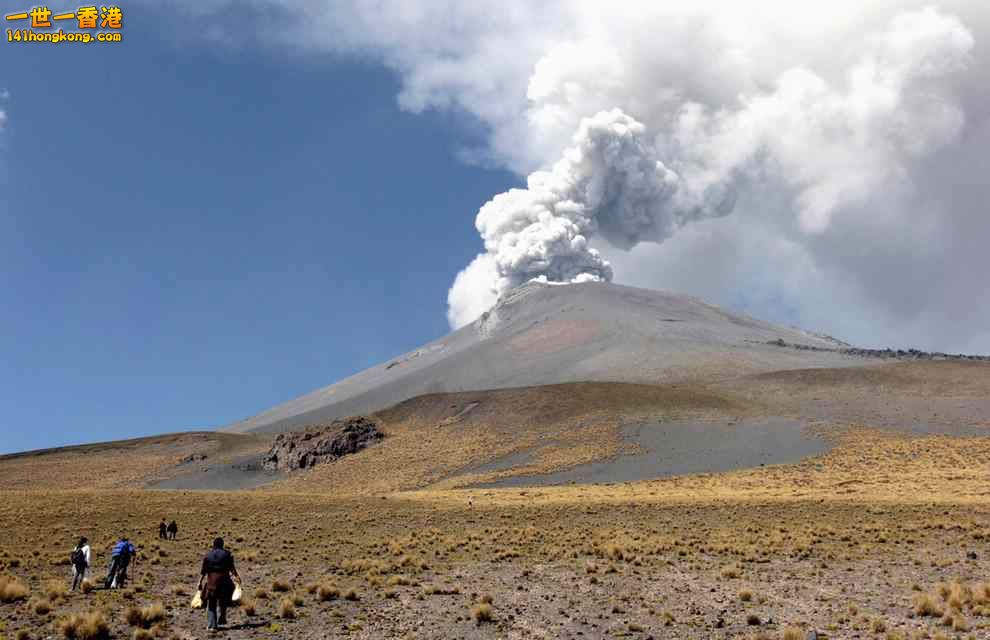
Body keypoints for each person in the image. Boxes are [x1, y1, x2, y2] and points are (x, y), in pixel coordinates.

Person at [198, 537, 240, 631]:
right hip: (225, 581)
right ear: (222, 545)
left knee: (211, 603)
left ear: (213, 545)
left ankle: (212, 626)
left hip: (212, 582)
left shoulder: (208, 555)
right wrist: (237, 577)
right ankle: (222, 617)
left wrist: (199, 582)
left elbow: (204, 571)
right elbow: (232, 568)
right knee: (224, 599)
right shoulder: (227, 554)